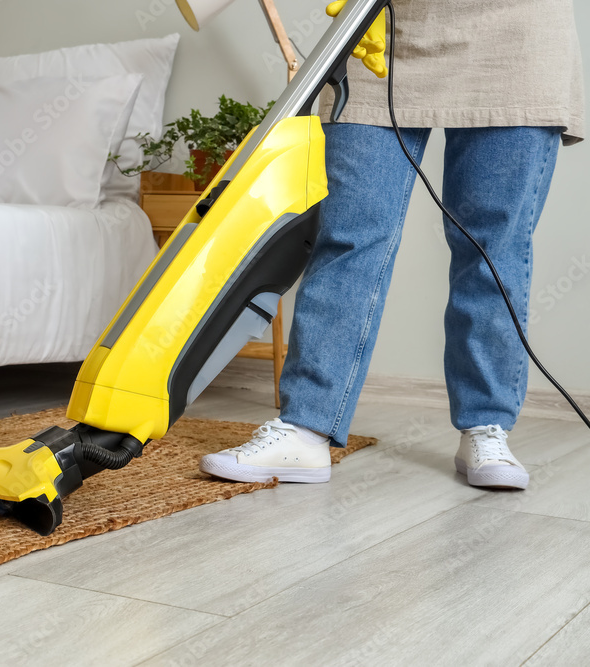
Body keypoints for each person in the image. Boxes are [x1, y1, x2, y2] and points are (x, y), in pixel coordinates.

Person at [200, 0, 585, 490]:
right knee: (348, 237)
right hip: (383, 29)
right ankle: (306, 427)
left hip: (518, 36)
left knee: (494, 248)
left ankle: (486, 427)